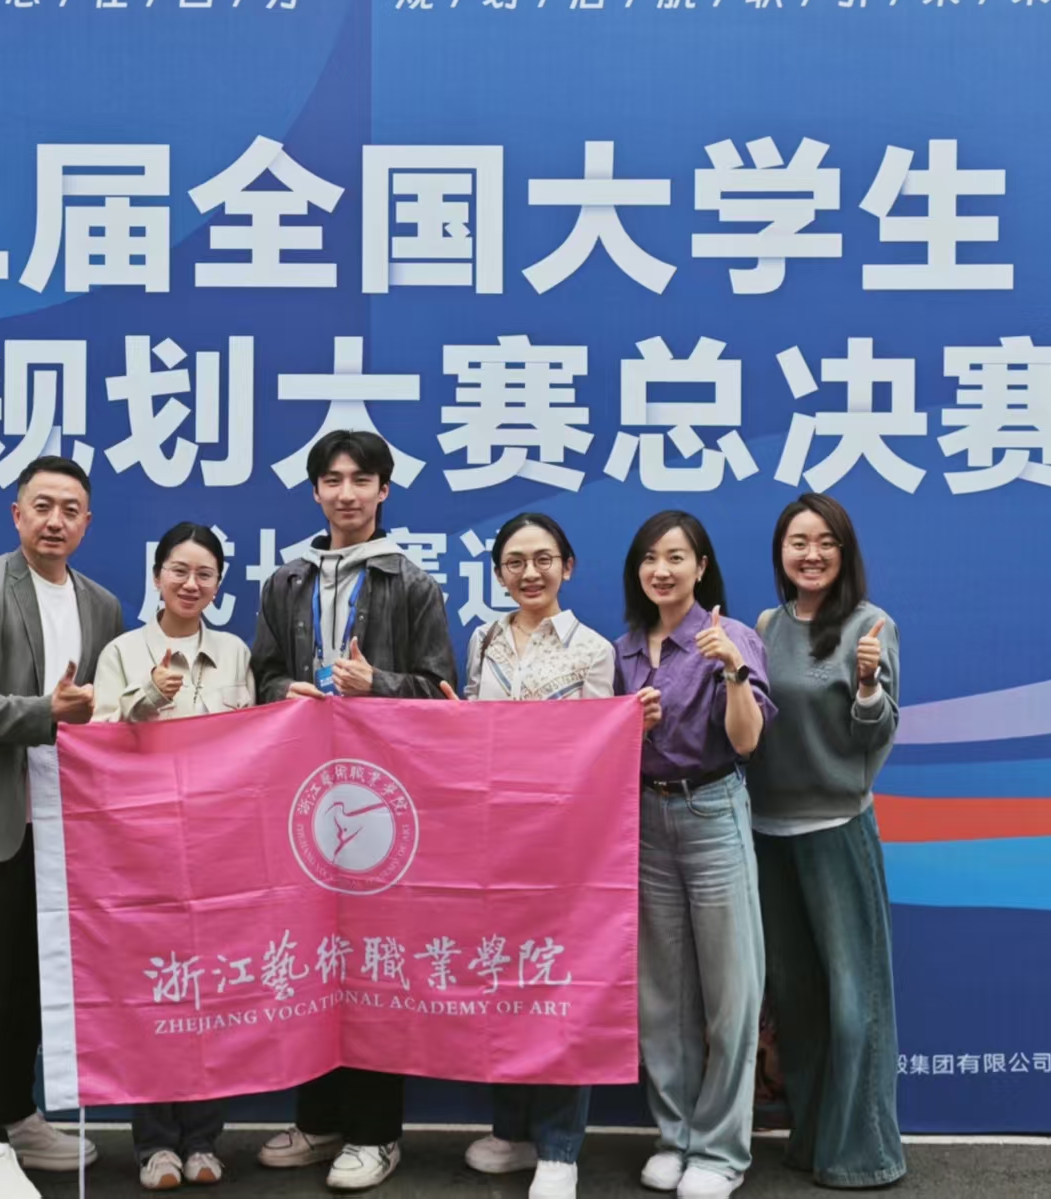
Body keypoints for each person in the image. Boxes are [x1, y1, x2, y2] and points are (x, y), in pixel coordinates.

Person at [250, 429, 456, 1192]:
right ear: (313, 491)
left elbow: (440, 689)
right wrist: (286, 691)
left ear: (383, 491)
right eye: (331, 479)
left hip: (382, 801)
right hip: (303, 794)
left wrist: (378, 686)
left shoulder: (411, 582)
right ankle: (319, 1119)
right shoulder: (285, 581)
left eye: (360, 479)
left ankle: (375, 1132)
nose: (346, 493)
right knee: (308, 955)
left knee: (375, 962)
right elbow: (262, 676)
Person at [444, 514, 659, 1199]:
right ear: (498, 573)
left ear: (568, 566)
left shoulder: (593, 650)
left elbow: (595, 751)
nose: (528, 573)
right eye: (514, 562)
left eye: (542, 559)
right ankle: (511, 1132)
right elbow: (474, 731)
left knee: (560, 985)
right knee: (502, 982)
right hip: (492, 842)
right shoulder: (482, 640)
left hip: (567, 843)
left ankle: (561, 1148)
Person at [0, 457, 125, 1199]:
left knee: (34, 982)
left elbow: (110, 710)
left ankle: (17, 1115)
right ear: (16, 514)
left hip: (66, 829)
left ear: (87, 522)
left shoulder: (102, 605)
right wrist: (46, 712)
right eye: (41, 506)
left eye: (70, 509)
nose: (55, 521)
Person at [614, 510, 776, 1199]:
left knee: (730, 991)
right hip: (645, 817)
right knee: (662, 993)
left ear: (701, 567)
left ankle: (720, 1150)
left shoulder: (729, 637)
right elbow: (599, 752)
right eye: (650, 557)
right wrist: (631, 728)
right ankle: (673, 1136)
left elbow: (746, 741)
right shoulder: (623, 650)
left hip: (712, 810)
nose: (662, 569)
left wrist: (732, 671)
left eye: (676, 556)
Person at [91, 522, 256, 1189]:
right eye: (179, 571)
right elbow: (98, 743)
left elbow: (254, 744)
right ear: (156, 575)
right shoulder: (121, 652)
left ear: (218, 584)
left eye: (205, 573)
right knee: (151, 992)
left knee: (211, 995)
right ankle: (155, 1143)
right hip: (141, 850)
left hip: (219, 850)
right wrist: (150, 695)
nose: (191, 584)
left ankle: (203, 1137)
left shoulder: (235, 652)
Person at [747, 494, 905, 1189]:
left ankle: (864, 1154)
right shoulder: (763, 625)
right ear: (780, 552)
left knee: (853, 1000)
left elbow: (877, 733)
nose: (810, 554)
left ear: (844, 552)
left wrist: (867, 684)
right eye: (797, 542)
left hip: (837, 827)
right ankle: (810, 1142)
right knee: (798, 999)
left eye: (824, 542)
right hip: (767, 830)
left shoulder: (871, 625)